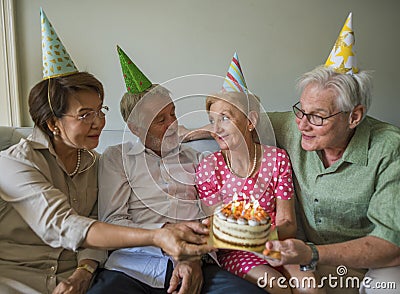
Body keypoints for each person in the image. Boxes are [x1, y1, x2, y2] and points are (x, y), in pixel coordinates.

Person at [0, 11, 212, 294]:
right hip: (17, 278)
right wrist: (159, 236)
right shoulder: (13, 163)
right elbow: (65, 225)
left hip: (75, 278)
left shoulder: (92, 163)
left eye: (100, 111)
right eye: (85, 115)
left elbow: (96, 224)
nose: (99, 122)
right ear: (53, 123)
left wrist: (85, 270)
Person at [88, 46, 266, 294]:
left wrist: (191, 255)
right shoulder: (117, 159)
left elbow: (212, 216)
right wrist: (166, 240)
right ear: (136, 128)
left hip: (197, 262)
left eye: (173, 113)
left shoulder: (198, 159)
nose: (172, 124)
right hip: (134, 268)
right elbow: (112, 220)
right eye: (160, 120)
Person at [264, 13, 400, 294]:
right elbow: (243, 119)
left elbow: (391, 247)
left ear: (354, 117)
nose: (302, 124)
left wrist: (311, 254)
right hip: (311, 260)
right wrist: (191, 131)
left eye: (317, 117)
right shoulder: (295, 125)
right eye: (301, 110)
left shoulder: (389, 148)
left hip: (376, 262)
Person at [195, 53, 321, 294]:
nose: (216, 128)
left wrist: (267, 239)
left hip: (278, 243)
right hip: (236, 252)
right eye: (212, 120)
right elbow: (219, 229)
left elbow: (288, 222)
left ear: (251, 121)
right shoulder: (208, 167)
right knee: (278, 286)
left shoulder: (276, 159)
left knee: (310, 287)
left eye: (225, 118)